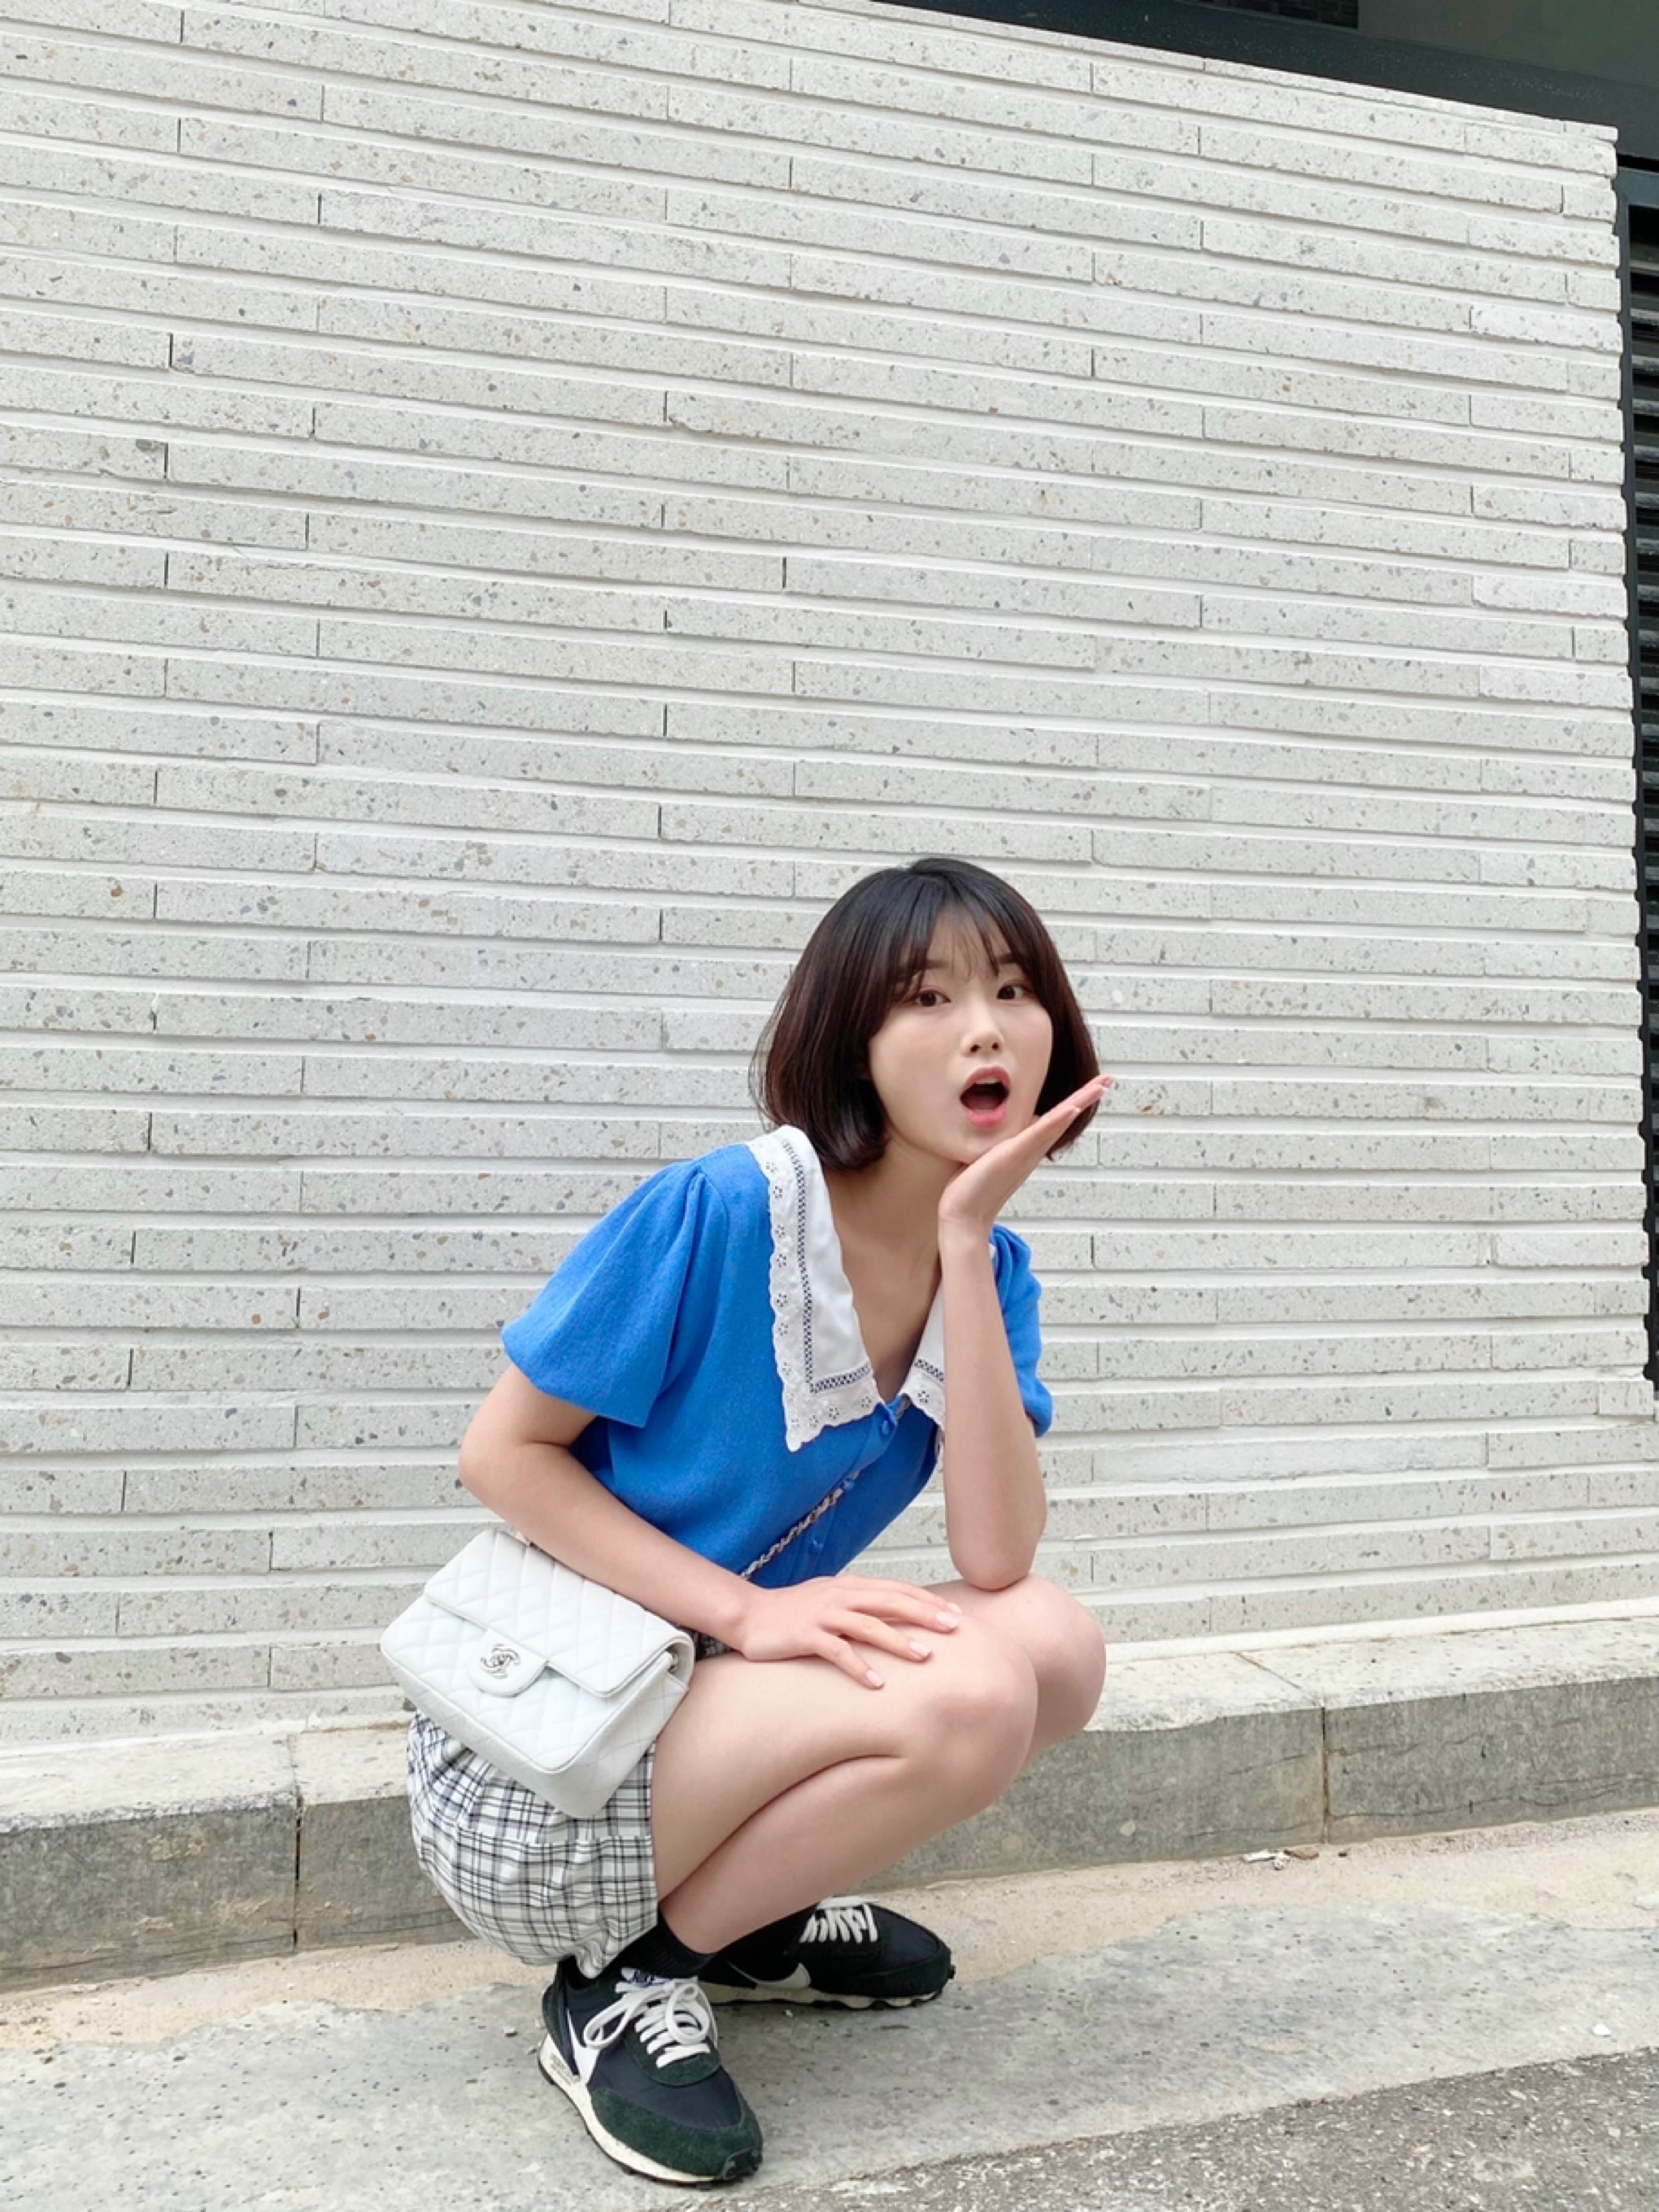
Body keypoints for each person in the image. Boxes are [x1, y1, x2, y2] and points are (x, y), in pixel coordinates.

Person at [404, 855, 1114, 2186]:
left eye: (1015, 992)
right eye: (929, 998)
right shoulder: (721, 1213)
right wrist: (748, 1610)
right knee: (969, 1692)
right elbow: (501, 1455)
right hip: (544, 1758)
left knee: (1053, 1647)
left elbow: (996, 1557)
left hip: (709, 1715)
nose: (986, 1029)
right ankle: (620, 1986)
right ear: (852, 1037)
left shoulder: (993, 1265)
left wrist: (965, 1248)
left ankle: (736, 1922)